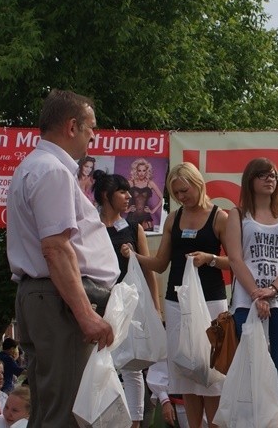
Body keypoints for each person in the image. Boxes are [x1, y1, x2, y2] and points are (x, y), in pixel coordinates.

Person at [6, 89, 120, 427]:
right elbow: (56, 248)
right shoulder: (51, 171)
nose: (93, 136)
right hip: (59, 301)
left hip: (44, 296)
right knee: (66, 412)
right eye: (91, 127)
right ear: (72, 126)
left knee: (47, 408)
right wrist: (85, 313)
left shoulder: (35, 167)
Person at [126, 162, 229, 428]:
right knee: (185, 373)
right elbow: (160, 263)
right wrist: (135, 257)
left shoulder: (220, 217)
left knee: (213, 372)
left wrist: (211, 258)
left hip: (211, 301)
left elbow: (236, 261)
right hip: (177, 301)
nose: (182, 197)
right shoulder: (174, 218)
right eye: (176, 194)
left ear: (198, 183)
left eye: (185, 190)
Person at [225, 158, 278, 428]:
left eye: (274, 176)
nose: (270, 180)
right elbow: (235, 259)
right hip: (247, 302)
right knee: (252, 371)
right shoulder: (237, 215)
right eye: (263, 175)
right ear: (250, 180)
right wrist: (257, 295)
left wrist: (273, 290)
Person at [92, 170, 162, 427]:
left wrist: (155, 307)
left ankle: (135, 421)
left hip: (128, 304)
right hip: (97, 303)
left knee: (132, 366)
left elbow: (148, 271)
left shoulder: (133, 228)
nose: (127, 196)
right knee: (99, 363)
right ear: (105, 196)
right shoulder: (89, 227)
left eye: (128, 191)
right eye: (121, 191)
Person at [128, 158, 164, 230]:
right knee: (131, 240)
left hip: (146, 217)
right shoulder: (131, 183)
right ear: (136, 171)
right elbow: (119, 195)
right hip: (132, 216)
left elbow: (162, 198)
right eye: (139, 170)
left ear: (147, 171)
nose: (141, 173)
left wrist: (152, 211)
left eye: (144, 170)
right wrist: (127, 210)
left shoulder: (150, 183)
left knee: (149, 240)